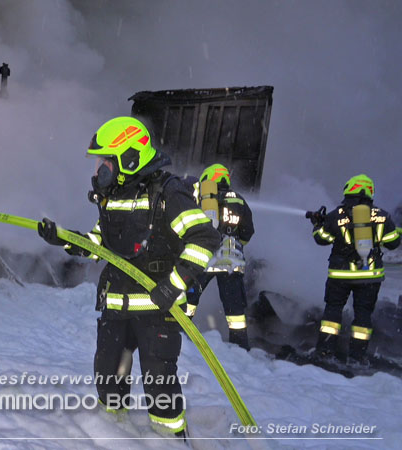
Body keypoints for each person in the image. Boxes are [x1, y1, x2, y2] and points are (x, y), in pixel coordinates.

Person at [37, 117, 220, 438]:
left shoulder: (169, 193)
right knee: (108, 377)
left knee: (159, 383)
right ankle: (113, 435)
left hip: (156, 310)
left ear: (130, 157)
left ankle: (171, 439)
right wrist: (64, 238)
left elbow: (204, 239)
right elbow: (99, 245)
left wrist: (173, 286)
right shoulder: (114, 195)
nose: (99, 169)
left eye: (106, 160)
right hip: (116, 308)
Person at [310, 174, 400, 363]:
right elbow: (393, 243)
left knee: (333, 313)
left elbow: (322, 240)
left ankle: (325, 352)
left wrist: (318, 224)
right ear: (369, 191)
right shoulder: (382, 216)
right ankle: (357, 357)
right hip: (370, 276)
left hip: (340, 274)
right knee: (363, 316)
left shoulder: (336, 215)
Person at [185, 164, 255, 350]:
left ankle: (178, 333)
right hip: (232, 261)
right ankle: (240, 349)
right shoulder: (239, 201)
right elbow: (248, 233)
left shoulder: (202, 198)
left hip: (206, 257)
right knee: (236, 313)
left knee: (189, 300)